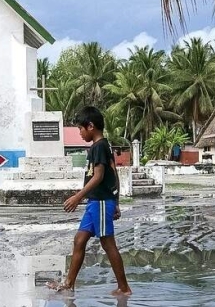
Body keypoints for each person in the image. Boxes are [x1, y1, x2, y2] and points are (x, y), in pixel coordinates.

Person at [48, 106, 132, 296]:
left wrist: (78, 197)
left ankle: (124, 287)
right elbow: (114, 172)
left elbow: (99, 176)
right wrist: (116, 200)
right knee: (79, 240)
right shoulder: (102, 146)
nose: (79, 133)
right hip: (97, 202)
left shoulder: (99, 146)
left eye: (80, 129)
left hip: (101, 201)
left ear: (91, 126)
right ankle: (69, 283)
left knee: (107, 243)